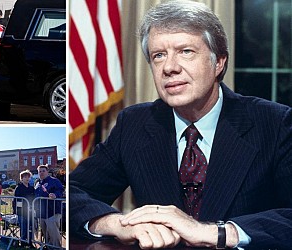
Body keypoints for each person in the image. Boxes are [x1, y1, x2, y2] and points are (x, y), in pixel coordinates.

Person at [69, 1, 292, 249]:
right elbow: (70, 193)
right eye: (158, 56)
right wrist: (113, 222)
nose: (169, 68)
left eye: (186, 51)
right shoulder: (134, 123)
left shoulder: (275, 124)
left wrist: (217, 233)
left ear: (218, 62)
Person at [34, 165, 64, 248]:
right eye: (40, 171)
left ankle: (57, 248)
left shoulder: (54, 181)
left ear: (47, 172)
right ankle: (48, 247)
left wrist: (55, 195)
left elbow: (61, 190)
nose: (41, 173)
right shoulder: (38, 183)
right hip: (41, 213)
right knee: (45, 234)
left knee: (54, 234)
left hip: (52, 212)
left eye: (43, 171)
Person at [13, 170, 35, 245]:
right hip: (21, 211)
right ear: (21, 178)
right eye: (25, 177)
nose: (27, 178)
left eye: (28, 177)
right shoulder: (18, 188)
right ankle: (23, 242)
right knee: (23, 227)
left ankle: (30, 242)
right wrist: (15, 210)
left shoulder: (32, 188)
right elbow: (15, 200)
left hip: (30, 211)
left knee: (30, 227)